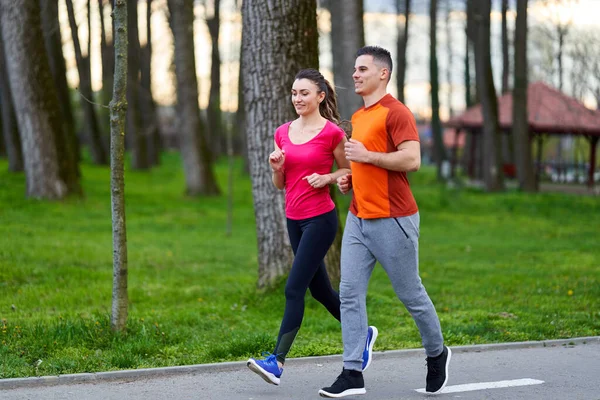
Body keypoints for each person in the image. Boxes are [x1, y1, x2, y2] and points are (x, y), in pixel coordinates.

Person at [319, 46, 451, 398]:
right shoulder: (359, 117)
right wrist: (349, 177)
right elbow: (363, 164)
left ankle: (437, 353)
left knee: (411, 294)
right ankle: (351, 372)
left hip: (394, 219)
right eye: (354, 69)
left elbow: (412, 159)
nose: (355, 75)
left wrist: (366, 157)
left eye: (362, 69)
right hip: (360, 218)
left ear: (383, 74)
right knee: (348, 293)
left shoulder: (397, 113)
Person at [246, 69, 378, 386]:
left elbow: (349, 171)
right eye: (294, 93)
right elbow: (281, 183)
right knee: (320, 290)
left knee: (294, 288)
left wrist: (328, 178)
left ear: (320, 96)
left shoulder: (332, 133)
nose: (298, 98)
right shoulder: (282, 133)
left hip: (320, 219)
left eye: (304, 93)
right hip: (294, 219)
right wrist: (277, 169)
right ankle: (365, 333)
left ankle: (276, 361)